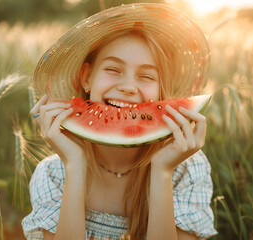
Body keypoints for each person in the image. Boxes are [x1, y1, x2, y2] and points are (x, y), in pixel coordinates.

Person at [22, 3, 217, 240]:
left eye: (146, 76)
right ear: (86, 77)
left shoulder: (186, 168)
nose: (127, 87)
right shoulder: (53, 173)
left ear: (161, 91)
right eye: (113, 69)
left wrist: (162, 172)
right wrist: (74, 164)